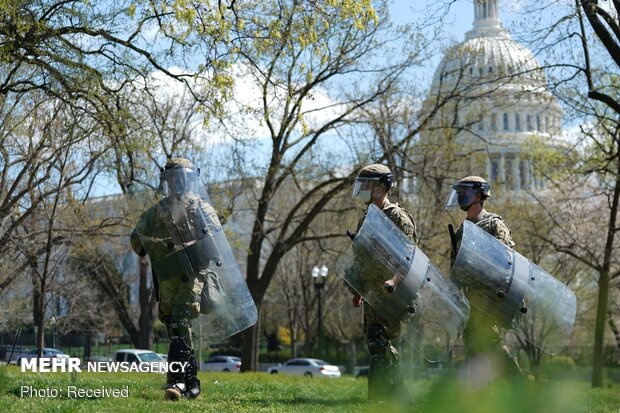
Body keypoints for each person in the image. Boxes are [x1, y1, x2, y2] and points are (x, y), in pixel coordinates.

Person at [130, 158, 219, 401]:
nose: (177, 182)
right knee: (177, 329)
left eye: (181, 177)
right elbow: (137, 241)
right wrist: (162, 245)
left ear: (189, 179)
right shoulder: (156, 212)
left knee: (181, 324)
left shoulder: (201, 208)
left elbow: (215, 243)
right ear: (167, 181)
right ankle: (193, 386)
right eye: (172, 178)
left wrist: (188, 247)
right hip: (167, 280)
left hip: (192, 279)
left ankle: (176, 382)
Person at [348, 163, 417, 401]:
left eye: (368, 185)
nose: (365, 190)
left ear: (381, 187)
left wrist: (395, 280)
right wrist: (356, 290)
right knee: (374, 342)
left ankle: (388, 394)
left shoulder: (399, 217)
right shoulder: (366, 217)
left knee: (381, 340)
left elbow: (410, 256)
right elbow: (361, 255)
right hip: (370, 291)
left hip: (392, 292)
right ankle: (383, 395)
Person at [445, 175, 525, 378]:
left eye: (465, 192)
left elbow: (506, 260)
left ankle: (519, 383)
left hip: (491, 300)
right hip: (470, 301)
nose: (461, 196)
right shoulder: (462, 231)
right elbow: (455, 268)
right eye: (460, 193)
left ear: (479, 195)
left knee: (491, 345)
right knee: (473, 347)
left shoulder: (493, 224)